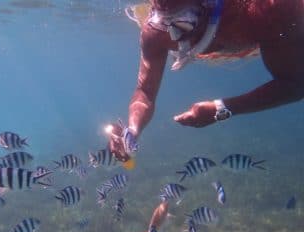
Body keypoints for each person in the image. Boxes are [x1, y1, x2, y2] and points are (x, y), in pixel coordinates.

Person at [108, 0, 304, 162]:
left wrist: (221, 109)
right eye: (165, 21)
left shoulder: (271, 10)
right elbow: (145, 92)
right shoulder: (157, 32)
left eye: (184, 22)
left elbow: (295, 85)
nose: (176, 35)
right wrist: (133, 129)